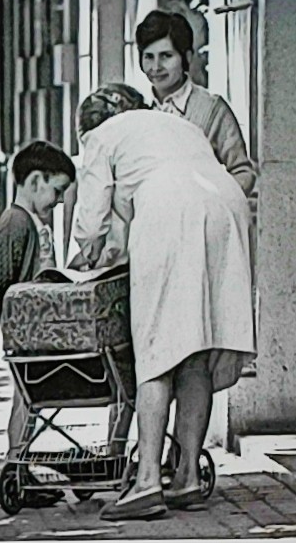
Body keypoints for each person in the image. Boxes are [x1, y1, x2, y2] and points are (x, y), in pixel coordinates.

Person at [70, 84, 256, 520]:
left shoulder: (102, 135)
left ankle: (147, 481)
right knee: (196, 348)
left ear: (86, 128)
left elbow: (91, 216)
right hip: (227, 207)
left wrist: (85, 254)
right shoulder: (173, 124)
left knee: (156, 352)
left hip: (173, 213)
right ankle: (188, 474)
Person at [0, 140, 76, 505]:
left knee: (30, 400)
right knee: (26, 399)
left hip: (36, 329)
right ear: (35, 181)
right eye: (57, 190)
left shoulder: (31, 220)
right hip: (25, 331)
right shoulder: (16, 223)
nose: (60, 201)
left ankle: (20, 466)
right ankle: (14, 465)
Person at [136, 9, 256, 197]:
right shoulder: (135, 109)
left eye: (166, 56)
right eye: (149, 56)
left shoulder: (212, 109)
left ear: (187, 57)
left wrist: (213, 203)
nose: (156, 67)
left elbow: (243, 173)